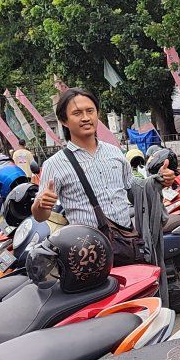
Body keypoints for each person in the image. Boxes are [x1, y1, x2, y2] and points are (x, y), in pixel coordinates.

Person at [33, 87, 141, 265]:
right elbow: (40, 216)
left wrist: (158, 181)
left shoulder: (114, 152)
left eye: (90, 111)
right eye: (77, 113)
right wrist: (41, 204)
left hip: (126, 240)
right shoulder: (54, 164)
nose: (85, 118)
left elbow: (133, 187)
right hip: (88, 252)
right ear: (64, 121)